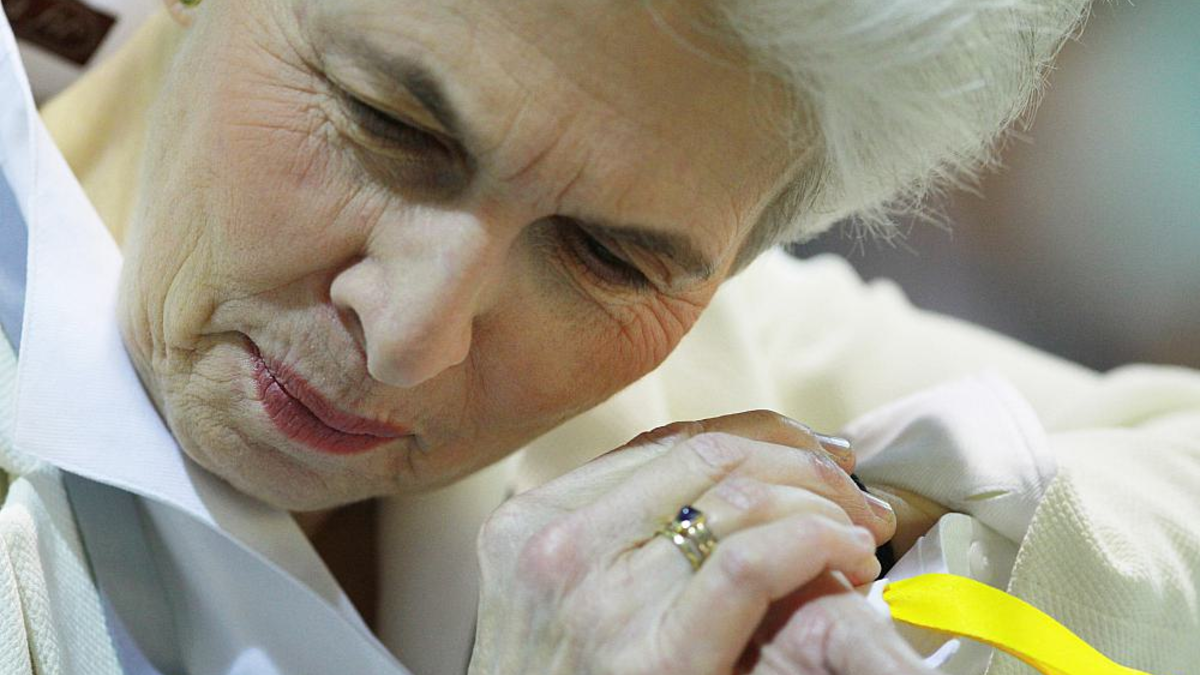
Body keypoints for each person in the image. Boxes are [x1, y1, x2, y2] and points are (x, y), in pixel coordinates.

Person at [3, 0, 1197, 674]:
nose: (412, 337)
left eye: (603, 258)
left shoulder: (716, 369)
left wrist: (850, 558)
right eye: (386, 125)